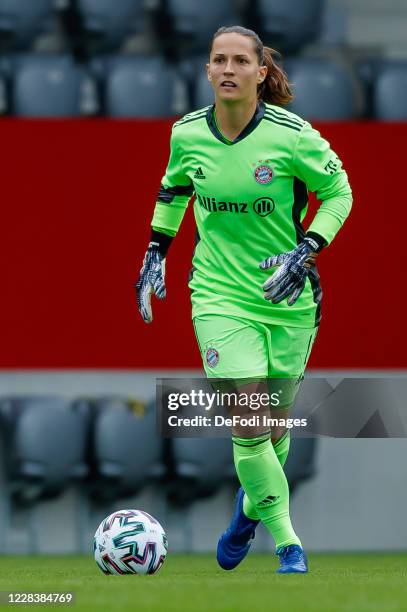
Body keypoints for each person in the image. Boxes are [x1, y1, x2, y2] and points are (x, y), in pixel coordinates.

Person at [135, 25, 352, 574]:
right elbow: (174, 188)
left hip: (289, 298)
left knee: (274, 431)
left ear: (260, 72)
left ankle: (247, 514)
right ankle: (288, 543)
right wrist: (157, 250)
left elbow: (338, 192)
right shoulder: (186, 134)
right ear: (207, 72)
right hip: (218, 295)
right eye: (218, 60)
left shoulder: (293, 136)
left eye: (239, 61)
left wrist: (304, 251)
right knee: (249, 419)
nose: (228, 69)